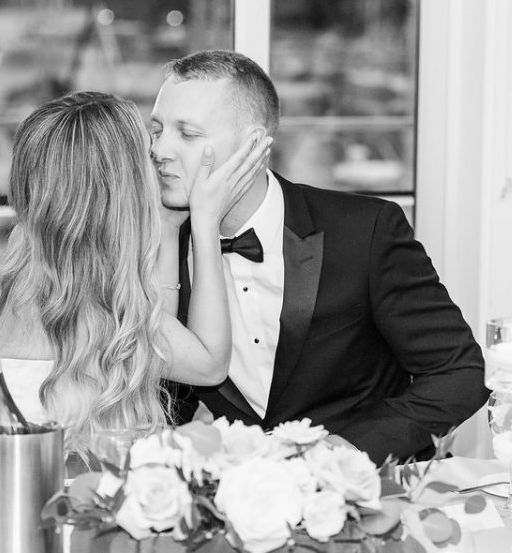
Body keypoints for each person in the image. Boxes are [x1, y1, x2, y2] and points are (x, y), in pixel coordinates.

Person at [0, 91, 269, 498]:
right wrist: (206, 222)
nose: (158, 157)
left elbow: (156, 331)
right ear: (122, 185)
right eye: (147, 151)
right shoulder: (95, 295)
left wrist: (169, 228)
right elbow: (208, 365)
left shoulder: (38, 255)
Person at [150, 50, 489, 463]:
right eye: (157, 130)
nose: (160, 149)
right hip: (246, 494)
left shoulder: (364, 231)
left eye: (187, 134)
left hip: (372, 489)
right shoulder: (164, 248)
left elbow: (461, 373)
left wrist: (350, 451)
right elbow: (168, 401)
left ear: (252, 145)